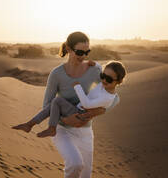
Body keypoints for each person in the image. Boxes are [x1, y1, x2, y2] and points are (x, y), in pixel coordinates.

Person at [11, 31, 120, 178]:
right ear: (68, 49)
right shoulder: (56, 74)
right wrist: (65, 120)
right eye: (80, 52)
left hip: (85, 131)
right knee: (75, 164)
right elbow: (48, 105)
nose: (83, 56)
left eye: (87, 52)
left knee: (85, 174)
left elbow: (114, 97)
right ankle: (32, 124)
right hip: (61, 129)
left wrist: (98, 112)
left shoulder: (94, 70)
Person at [15, 60, 126, 138]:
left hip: (79, 114)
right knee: (55, 103)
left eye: (109, 79)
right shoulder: (105, 84)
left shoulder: (107, 98)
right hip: (76, 108)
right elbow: (100, 68)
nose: (104, 80)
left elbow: (87, 104)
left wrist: (77, 87)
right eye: (103, 76)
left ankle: (45, 127)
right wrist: (95, 64)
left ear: (119, 81)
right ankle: (31, 124)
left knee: (57, 101)